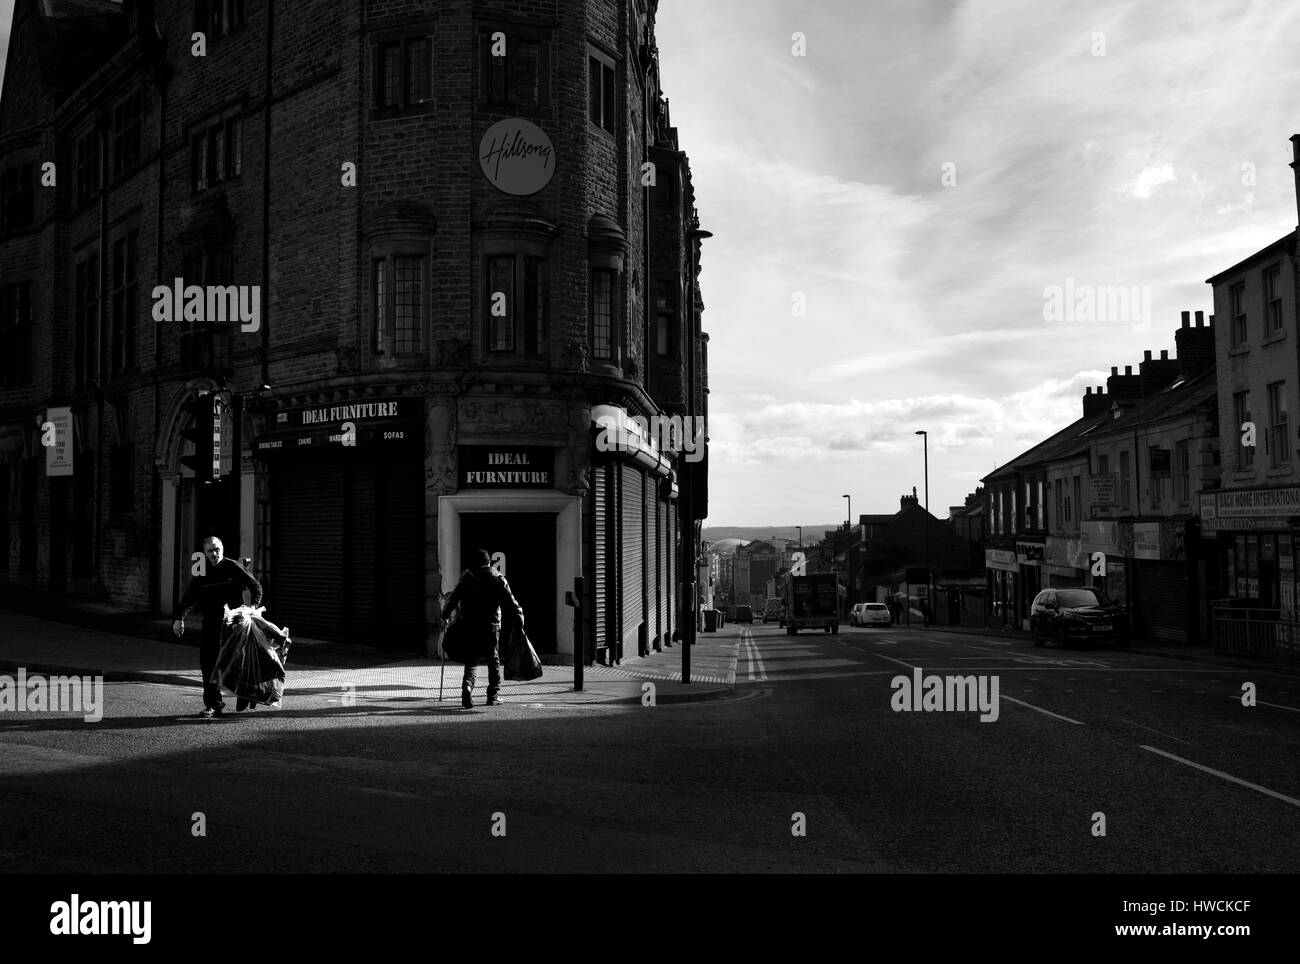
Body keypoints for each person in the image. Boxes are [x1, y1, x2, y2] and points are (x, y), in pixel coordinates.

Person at [172, 536, 263, 717]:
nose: (214, 554)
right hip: (211, 623)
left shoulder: (233, 567)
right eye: (209, 551)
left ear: (222, 549)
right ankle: (213, 705)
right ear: (204, 553)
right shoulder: (201, 571)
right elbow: (190, 596)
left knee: (237, 661)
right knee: (209, 664)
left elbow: (256, 586)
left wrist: (252, 608)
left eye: (217, 550)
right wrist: (178, 618)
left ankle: (244, 693)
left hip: (234, 624)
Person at [438, 549, 524, 708]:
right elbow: (511, 603)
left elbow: (453, 599)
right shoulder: (498, 579)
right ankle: (493, 694)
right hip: (491, 627)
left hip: (470, 625)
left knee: (471, 659)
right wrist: (519, 618)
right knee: (493, 659)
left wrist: (445, 616)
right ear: (489, 563)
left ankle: (467, 687)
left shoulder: (467, 579)